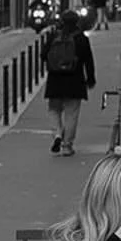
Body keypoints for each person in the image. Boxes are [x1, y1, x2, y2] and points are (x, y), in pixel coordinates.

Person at [43, 10, 94, 157]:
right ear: (77, 22)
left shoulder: (54, 36)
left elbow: (43, 54)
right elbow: (88, 61)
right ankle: (67, 145)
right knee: (71, 114)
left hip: (55, 81)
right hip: (75, 81)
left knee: (54, 110)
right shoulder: (81, 39)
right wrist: (90, 79)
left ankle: (57, 134)